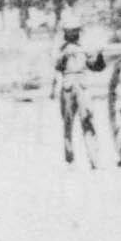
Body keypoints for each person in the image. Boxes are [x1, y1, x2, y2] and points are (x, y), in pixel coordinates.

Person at [50, 24, 105, 167]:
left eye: (75, 31)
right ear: (66, 34)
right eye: (70, 32)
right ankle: (70, 158)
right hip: (68, 89)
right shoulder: (61, 50)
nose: (73, 34)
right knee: (68, 123)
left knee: (87, 119)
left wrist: (99, 55)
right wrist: (63, 56)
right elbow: (57, 67)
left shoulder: (83, 49)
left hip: (82, 87)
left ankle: (94, 158)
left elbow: (96, 67)